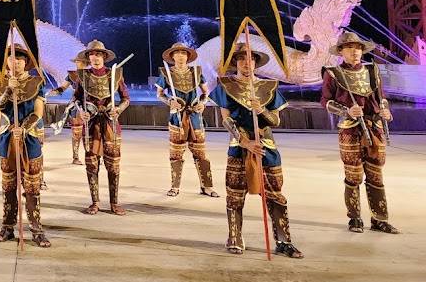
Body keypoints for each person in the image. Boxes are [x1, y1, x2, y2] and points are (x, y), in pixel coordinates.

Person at [210, 43, 303, 258]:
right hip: (239, 146)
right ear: (236, 62)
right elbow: (226, 120)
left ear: (255, 63)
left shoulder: (268, 86)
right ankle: (235, 236)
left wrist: (260, 109)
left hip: (266, 146)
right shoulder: (225, 86)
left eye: (250, 58)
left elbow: (275, 121)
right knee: (235, 194)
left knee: (275, 194)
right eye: (241, 58)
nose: (246, 62)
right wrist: (244, 142)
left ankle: (283, 240)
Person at [320, 30, 398, 234]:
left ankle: (380, 218)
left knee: (376, 174)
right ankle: (354, 218)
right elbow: (325, 101)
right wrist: (346, 111)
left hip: (374, 127)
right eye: (349, 47)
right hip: (350, 128)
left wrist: (385, 110)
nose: (354, 51)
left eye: (357, 47)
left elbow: (381, 97)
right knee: (353, 174)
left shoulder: (372, 71)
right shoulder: (333, 73)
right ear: (341, 51)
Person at [0, 46, 50, 247]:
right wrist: (8, 89)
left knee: (32, 186)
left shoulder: (37, 82)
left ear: (26, 62)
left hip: (29, 138)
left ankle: (36, 229)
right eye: (11, 58)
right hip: (7, 139)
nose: (15, 62)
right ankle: (7, 227)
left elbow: (38, 112)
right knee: (8, 185)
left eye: (19, 59)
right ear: (6, 62)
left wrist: (23, 128)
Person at [72, 40, 130, 215]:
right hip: (90, 125)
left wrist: (118, 109)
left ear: (104, 56)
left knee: (113, 165)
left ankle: (114, 202)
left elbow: (126, 99)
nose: (95, 57)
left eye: (98, 54)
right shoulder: (83, 76)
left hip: (110, 124)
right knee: (92, 164)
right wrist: (81, 111)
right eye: (92, 54)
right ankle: (95, 202)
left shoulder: (115, 75)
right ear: (88, 57)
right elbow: (75, 99)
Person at [154, 41, 217, 197]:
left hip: (195, 117)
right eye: (177, 53)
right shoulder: (166, 73)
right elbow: (160, 94)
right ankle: (175, 187)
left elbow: (205, 93)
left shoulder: (196, 72)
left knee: (200, 153)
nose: (181, 56)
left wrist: (202, 103)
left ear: (188, 56)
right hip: (177, 117)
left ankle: (206, 186)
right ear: (172, 56)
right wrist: (170, 101)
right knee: (176, 153)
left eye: (184, 53)